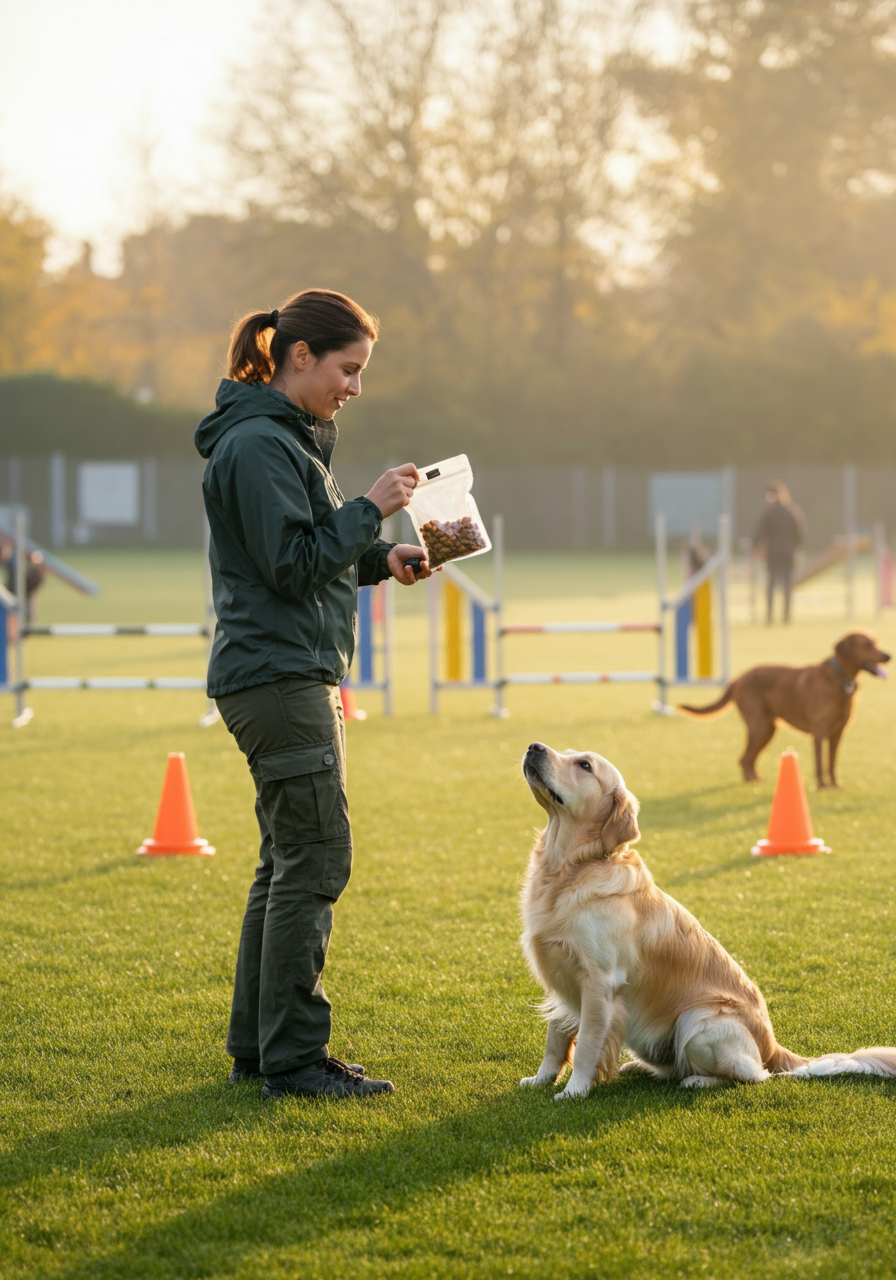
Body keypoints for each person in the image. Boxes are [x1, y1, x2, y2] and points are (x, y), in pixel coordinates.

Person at [195, 288, 432, 1101]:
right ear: (300, 356)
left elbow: (304, 550)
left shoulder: (279, 437)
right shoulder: (259, 444)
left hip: (283, 671)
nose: (355, 388)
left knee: (286, 862)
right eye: (348, 369)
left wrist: (380, 557)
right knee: (317, 857)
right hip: (279, 676)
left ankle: (259, 1049)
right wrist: (369, 507)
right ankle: (295, 1060)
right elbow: (290, 567)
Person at [751, 481, 806, 625]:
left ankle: (772, 617)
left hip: (774, 553)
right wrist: (799, 548)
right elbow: (800, 534)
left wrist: (755, 547)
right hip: (786, 553)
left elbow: (759, 533)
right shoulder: (792, 511)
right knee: (786, 586)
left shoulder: (769, 512)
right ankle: (784, 617)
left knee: (772, 586)